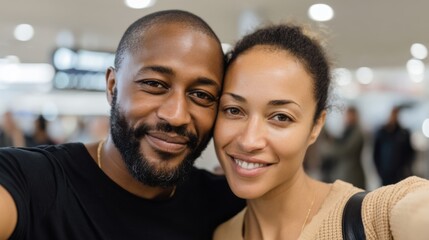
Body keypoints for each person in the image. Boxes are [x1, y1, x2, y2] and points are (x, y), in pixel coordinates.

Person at [0, 10, 244, 240]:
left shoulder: (226, 203)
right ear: (112, 86)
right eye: (154, 84)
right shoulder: (30, 181)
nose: (177, 116)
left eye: (201, 95)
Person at [212, 23, 429, 239]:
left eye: (281, 117)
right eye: (233, 110)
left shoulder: (368, 219)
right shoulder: (221, 234)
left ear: (316, 126)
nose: (249, 141)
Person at [322, 106, 366, 189]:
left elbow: (346, 150)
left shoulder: (357, 132)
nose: (347, 118)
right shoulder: (348, 130)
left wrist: (329, 149)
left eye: (350, 115)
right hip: (345, 173)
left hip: (353, 175)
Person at [373, 106, 416, 185]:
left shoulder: (403, 133)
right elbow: (376, 153)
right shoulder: (382, 133)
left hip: (399, 174)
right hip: (385, 173)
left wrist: (406, 169)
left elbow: (410, 153)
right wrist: (380, 171)